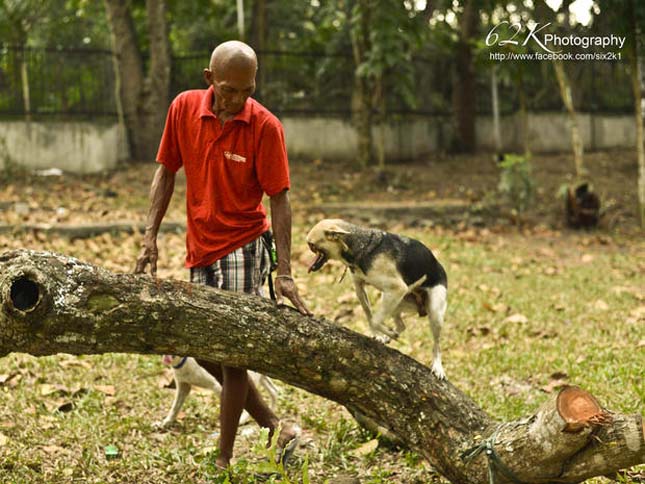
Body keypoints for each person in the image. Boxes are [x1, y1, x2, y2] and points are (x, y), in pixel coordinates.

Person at [134, 40, 310, 469]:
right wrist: (149, 236)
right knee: (204, 349)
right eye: (230, 90)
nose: (238, 99)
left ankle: (223, 460)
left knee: (233, 356)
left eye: (247, 90)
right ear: (209, 79)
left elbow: (280, 199)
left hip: (243, 247)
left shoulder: (265, 127)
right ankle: (273, 424)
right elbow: (165, 171)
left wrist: (284, 272)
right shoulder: (183, 108)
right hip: (199, 246)